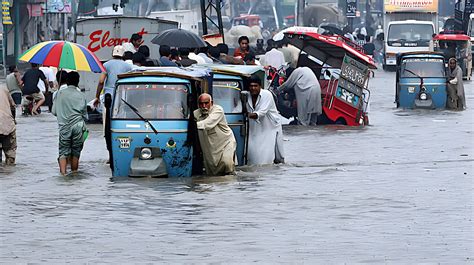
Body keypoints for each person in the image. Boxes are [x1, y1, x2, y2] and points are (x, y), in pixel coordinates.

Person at [52, 71, 88, 175]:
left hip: (64, 127)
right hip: (78, 126)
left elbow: (54, 112)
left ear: (66, 81)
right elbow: (85, 114)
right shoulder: (81, 95)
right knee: (76, 152)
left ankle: (63, 175)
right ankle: (74, 173)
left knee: (63, 152)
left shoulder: (59, 93)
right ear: (78, 82)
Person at [194, 93, 236, 175]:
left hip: (226, 142)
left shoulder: (218, 110)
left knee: (227, 163)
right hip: (211, 147)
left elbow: (207, 123)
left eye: (206, 103)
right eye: (201, 104)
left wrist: (193, 126)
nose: (204, 106)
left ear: (211, 103)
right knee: (212, 171)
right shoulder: (196, 114)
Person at [246, 75, 285, 165]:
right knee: (253, 150)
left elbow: (261, 113)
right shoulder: (246, 95)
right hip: (255, 126)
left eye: (255, 86)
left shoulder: (267, 95)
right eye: (251, 86)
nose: (253, 88)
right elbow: (238, 108)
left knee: (269, 153)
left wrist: (246, 114)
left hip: (270, 126)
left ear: (260, 86)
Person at [93, 45, 133, 122]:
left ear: (112, 54)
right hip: (122, 94)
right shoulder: (128, 67)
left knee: (107, 117)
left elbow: (101, 81)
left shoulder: (106, 65)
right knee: (119, 117)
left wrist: (97, 97)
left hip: (108, 95)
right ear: (123, 54)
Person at [0, 84, 16, 165]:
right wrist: (14, 120)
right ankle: (9, 173)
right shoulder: (3, 88)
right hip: (8, 125)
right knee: (10, 153)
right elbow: (13, 106)